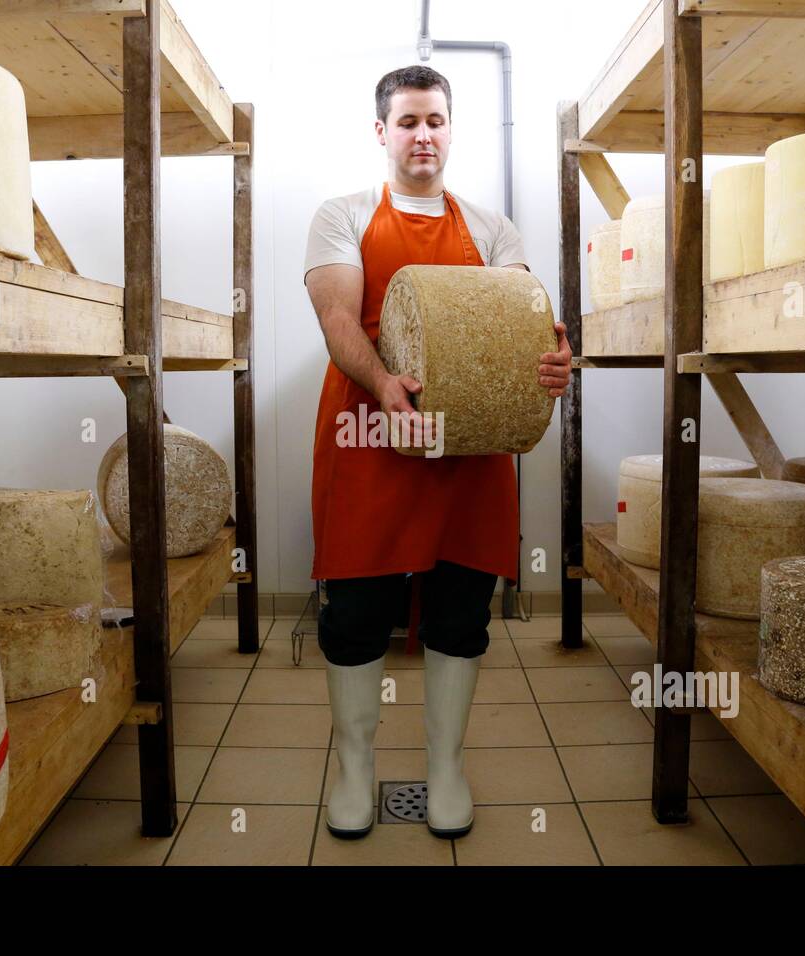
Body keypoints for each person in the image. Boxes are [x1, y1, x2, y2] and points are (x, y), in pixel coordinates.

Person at [303, 65, 572, 839]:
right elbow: (339, 320)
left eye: (437, 121)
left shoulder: (492, 229)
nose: (425, 134)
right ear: (381, 131)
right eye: (409, 120)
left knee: (462, 606)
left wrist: (550, 358)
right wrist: (387, 382)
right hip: (371, 433)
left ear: (451, 130)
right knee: (356, 607)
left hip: (470, 443)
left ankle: (445, 765)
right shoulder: (344, 215)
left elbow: (519, 322)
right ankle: (355, 769)